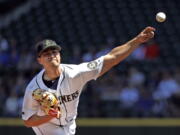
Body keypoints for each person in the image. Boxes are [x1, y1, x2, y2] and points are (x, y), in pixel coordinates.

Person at [22, 26, 155, 135]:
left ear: (60, 55)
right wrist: (49, 116)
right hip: (47, 127)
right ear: (39, 60)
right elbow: (28, 121)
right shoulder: (34, 88)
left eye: (54, 52)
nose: (52, 56)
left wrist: (137, 40)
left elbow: (112, 57)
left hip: (69, 125)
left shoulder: (75, 73)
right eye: (46, 54)